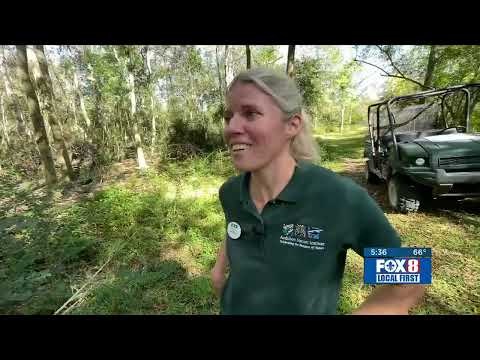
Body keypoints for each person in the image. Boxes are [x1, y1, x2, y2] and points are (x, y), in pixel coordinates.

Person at [211, 67, 425, 315]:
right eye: (229, 117)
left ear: (292, 125)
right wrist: (219, 267)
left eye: (250, 114)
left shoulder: (340, 199)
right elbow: (235, 226)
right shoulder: (230, 192)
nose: (231, 127)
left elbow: (411, 275)